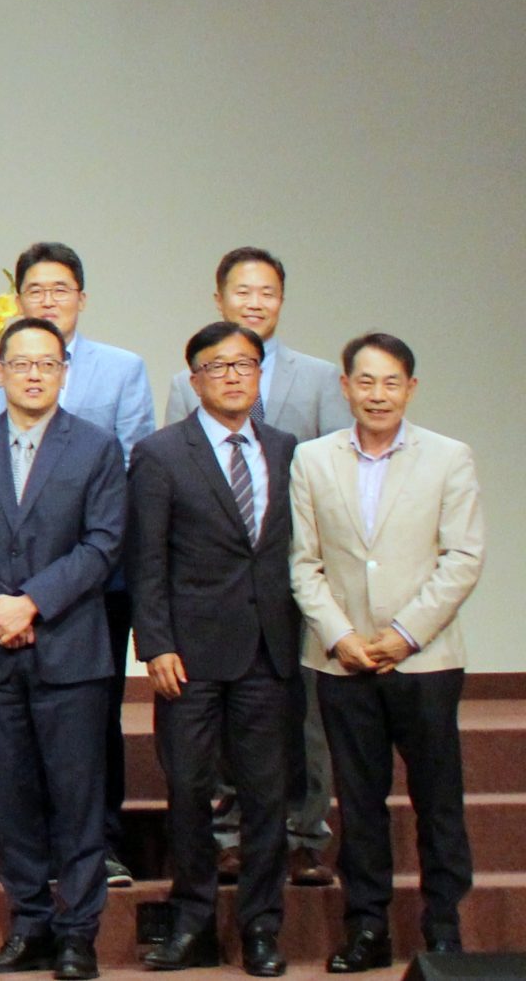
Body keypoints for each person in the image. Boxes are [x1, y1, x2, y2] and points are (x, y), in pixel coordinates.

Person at [0, 317, 124, 981]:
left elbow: (103, 542)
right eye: (21, 363)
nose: (34, 374)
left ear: (65, 372)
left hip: (69, 647)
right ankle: (30, 925)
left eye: (48, 363)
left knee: (76, 799)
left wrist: (33, 602)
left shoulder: (97, 447)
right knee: (12, 798)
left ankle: (78, 935)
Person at [290, 333, 483, 972]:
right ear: (345, 386)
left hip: (425, 660)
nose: (378, 394)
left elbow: (462, 557)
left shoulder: (449, 457)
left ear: (411, 388)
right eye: (366, 381)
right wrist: (341, 636)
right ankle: (367, 927)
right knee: (359, 802)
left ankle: (444, 927)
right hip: (341, 661)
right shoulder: (312, 459)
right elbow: (303, 563)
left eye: (391, 382)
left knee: (438, 800)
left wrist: (404, 633)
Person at [0, 241, 154, 887]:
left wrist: (42, 595)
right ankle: (32, 880)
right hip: (0, 598)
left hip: (87, 589)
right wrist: (9, 599)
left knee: (91, 726)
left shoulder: (121, 371)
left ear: (81, 297)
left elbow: (125, 475)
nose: (48, 299)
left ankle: (100, 849)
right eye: (35, 289)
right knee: (13, 750)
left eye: (60, 288)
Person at [160, 246, 350, 886]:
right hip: (215, 596)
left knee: (303, 718)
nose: (255, 302)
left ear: (282, 301)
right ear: (219, 299)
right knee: (224, 728)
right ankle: (230, 836)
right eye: (242, 291)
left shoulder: (319, 378)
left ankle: (305, 833)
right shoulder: (189, 378)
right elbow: (176, 479)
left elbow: (334, 483)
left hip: (293, 582)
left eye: (267, 292)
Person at [127, 322, 299, 977]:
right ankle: (193, 921)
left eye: (245, 364)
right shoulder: (161, 452)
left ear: (260, 374)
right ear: (194, 379)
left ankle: (261, 927)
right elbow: (146, 557)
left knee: (266, 795)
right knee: (190, 790)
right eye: (218, 366)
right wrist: (156, 643)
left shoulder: (286, 449)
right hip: (190, 655)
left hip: (268, 650)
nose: (233, 376)